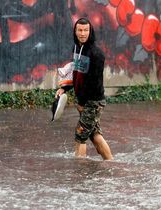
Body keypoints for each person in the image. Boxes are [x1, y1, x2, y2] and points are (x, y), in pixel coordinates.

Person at [55, 17, 113, 160]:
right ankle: (111, 162)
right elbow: (77, 74)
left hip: (92, 102)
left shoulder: (96, 54)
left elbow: (93, 83)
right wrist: (65, 88)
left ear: (90, 31)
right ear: (75, 31)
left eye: (86, 30)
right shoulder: (76, 48)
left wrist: (82, 103)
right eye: (80, 30)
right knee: (94, 135)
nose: (83, 33)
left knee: (80, 135)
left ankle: (80, 171)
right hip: (86, 101)